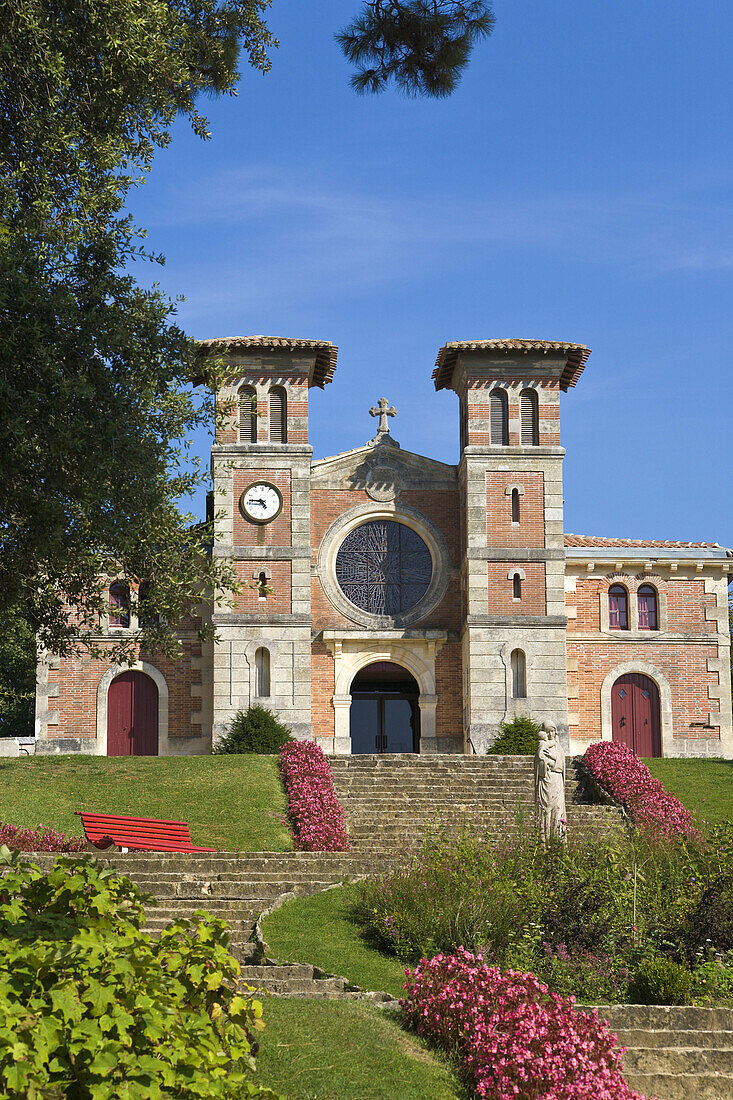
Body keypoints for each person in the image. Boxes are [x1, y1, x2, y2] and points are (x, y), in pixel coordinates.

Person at [534, 720, 567, 843]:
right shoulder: (541, 746)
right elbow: (539, 763)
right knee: (544, 811)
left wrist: (552, 761)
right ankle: (544, 839)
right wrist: (546, 763)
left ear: (555, 732)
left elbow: (561, 766)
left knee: (557, 810)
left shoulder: (558, 748)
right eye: (547, 732)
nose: (550, 734)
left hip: (556, 780)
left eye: (552, 731)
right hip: (545, 781)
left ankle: (557, 839)